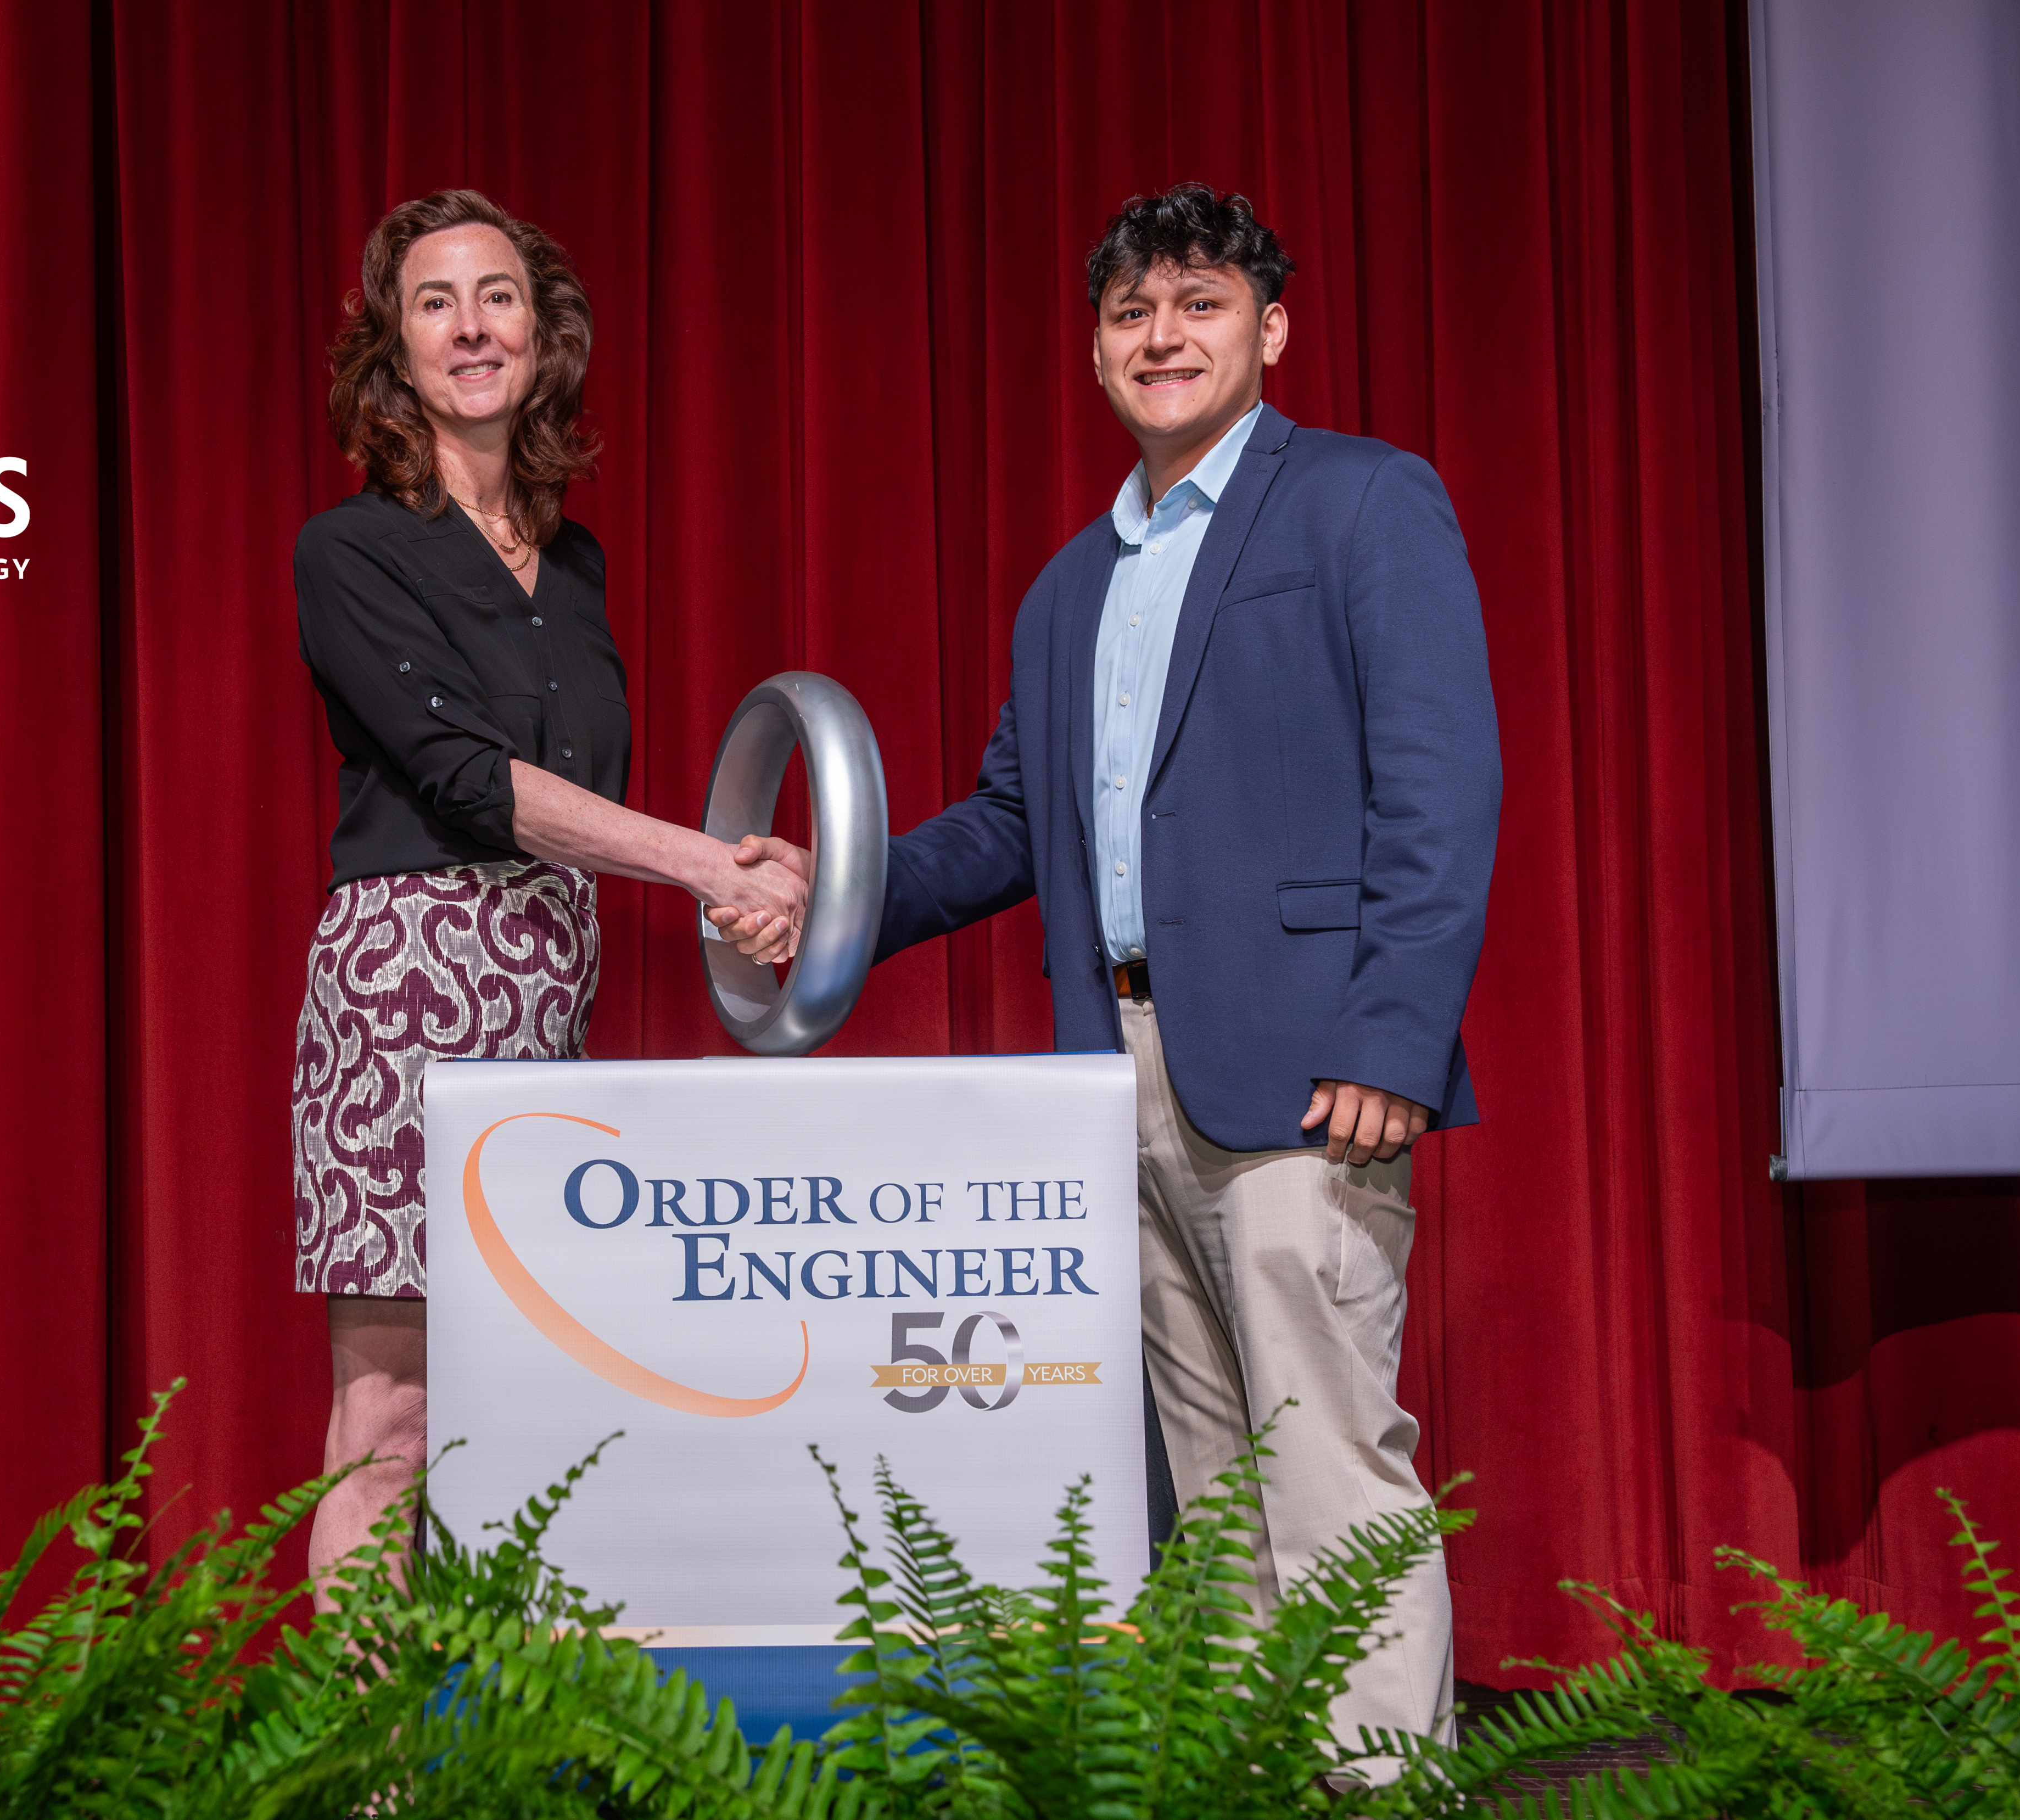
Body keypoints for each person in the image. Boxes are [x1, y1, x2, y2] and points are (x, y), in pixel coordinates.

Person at [727, 184, 1500, 1748]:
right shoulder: (1068, 585)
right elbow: (1017, 824)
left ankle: (1379, 1788)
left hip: (1304, 1071)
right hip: (1115, 1068)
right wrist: (833, 897)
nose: (1164, 335)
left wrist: (1390, 1034)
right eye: (1132, 312)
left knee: (1326, 1455)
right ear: (1094, 351)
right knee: (1209, 1487)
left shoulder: (1363, 502)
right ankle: (1247, 1782)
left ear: (1269, 330)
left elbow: (1441, 786)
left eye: (1200, 303)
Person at [292, 188, 805, 1592]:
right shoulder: (348, 551)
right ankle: (367, 1776)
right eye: (435, 301)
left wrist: (750, 878)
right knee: (389, 1416)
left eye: (498, 296)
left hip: (542, 987)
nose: (471, 326)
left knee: (524, 1406)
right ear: (393, 350)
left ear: (543, 332)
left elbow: (578, 798)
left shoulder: (571, 560)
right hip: (406, 987)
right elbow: (465, 778)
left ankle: (488, 1745)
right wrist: (711, 863)